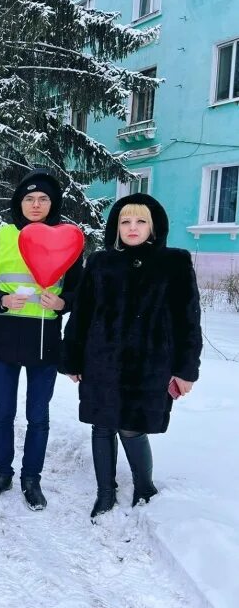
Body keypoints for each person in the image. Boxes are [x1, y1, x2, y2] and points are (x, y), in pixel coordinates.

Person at [60, 193, 202, 519]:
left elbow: (188, 322)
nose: (132, 227)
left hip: (150, 365)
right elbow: (81, 315)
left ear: (153, 227)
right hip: (101, 362)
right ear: (116, 227)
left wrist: (185, 370)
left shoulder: (174, 262)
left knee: (132, 428)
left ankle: (144, 486)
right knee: (101, 426)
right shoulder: (100, 262)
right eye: (125, 221)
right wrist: (73, 358)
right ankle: (105, 493)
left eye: (141, 221)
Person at [0, 169, 82, 510]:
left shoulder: (69, 239)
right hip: (4, 338)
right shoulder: (0, 236)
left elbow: (81, 292)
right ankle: (1, 474)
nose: (36, 205)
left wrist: (64, 303)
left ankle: (31, 479)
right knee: (3, 413)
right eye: (29, 198)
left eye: (44, 199)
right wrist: (0, 301)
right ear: (19, 202)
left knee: (38, 416)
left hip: (45, 341)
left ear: (53, 204)